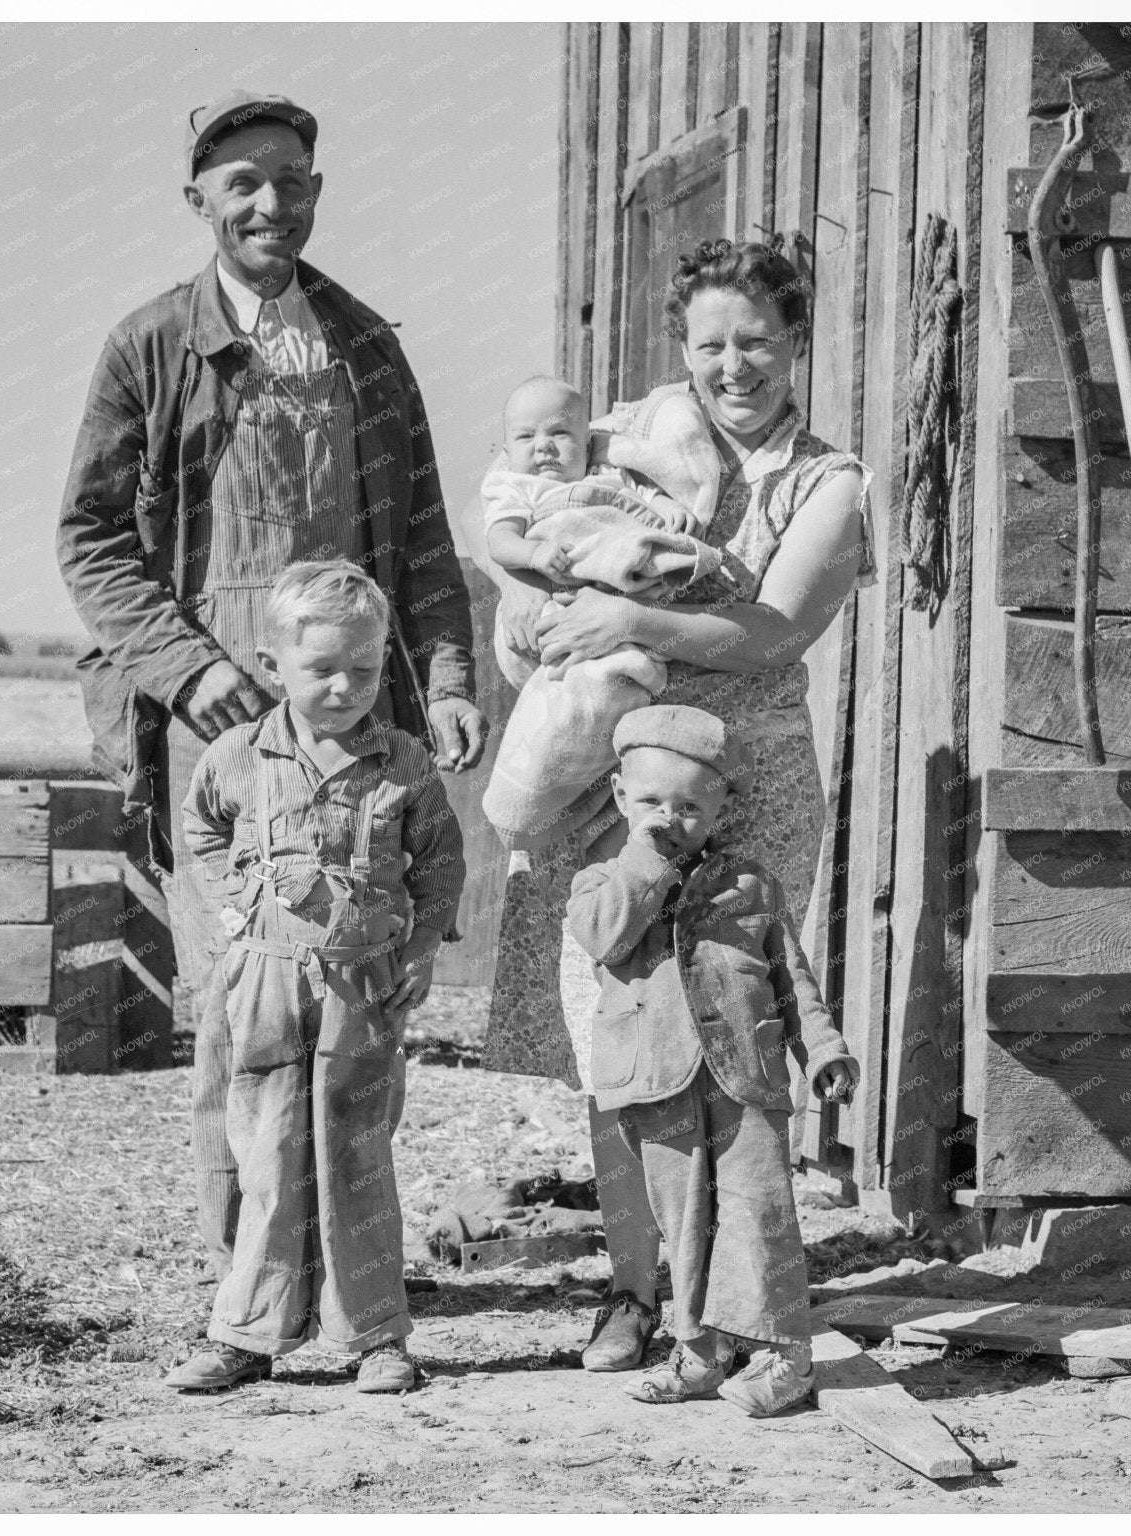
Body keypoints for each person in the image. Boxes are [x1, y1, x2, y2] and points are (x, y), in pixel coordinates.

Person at [56, 91, 487, 1295]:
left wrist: (445, 679)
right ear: (196, 197)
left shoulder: (365, 345)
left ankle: (351, 1277)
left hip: (356, 739)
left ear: (316, 190)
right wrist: (186, 669)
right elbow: (92, 539)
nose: (269, 201)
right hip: (223, 746)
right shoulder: (151, 346)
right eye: (241, 179)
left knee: (354, 1006)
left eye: (291, 177)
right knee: (243, 1014)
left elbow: (421, 543)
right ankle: (245, 1283)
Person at [483, 238, 876, 1374]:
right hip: (611, 781)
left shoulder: (825, 482)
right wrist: (523, 597)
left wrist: (631, 625)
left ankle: (745, 1304)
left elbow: (774, 634)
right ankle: (634, 1288)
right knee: (622, 1042)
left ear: (796, 344)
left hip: (745, 792)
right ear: (683, 350)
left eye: (756, 341)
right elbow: (520, 522)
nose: (733, 365)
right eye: (709, 343)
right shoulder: (625, 445)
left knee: (733, 1042)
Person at [164, 561, 464, 1394]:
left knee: (355, 1152)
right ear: (273, 668)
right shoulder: (238, 756)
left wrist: (420, 948)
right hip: (263, 984)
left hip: (361, 987)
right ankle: (246, 1335)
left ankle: (375, 1336)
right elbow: (202, 828)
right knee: (264, 1155)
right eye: (321, 670)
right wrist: (236, 907)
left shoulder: (403, 763)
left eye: (363, 670)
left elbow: (440, 863)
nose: (344, 688)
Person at [566, 705, 856, 1416]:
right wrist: (646, 859)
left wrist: (821, 1048)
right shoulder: (602, 883)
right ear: (618, 797)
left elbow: (793, 978)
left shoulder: (751, 886)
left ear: (723, 804)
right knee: (684, 1222)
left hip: (747, 1080)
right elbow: (604, 938)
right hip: (657, 1081)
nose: (671, 817)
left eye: (691, 805)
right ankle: (699, 1350)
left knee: (760, 1213)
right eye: (652, 801)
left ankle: (786, 1357)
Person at [481, 376, 739, 844]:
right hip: (559, 595)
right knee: (572, 690)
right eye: (526, 437)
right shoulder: (516, 487)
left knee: (615, 652)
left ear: (588, 439)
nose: (544, 448)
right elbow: (498, 541)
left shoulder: (606, 473)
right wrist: (532, 559)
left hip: (617, 599)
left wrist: (666, 509)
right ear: (506, 447)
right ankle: (530, 795)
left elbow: (639, 498)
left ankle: (647, 578)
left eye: (560, 435)